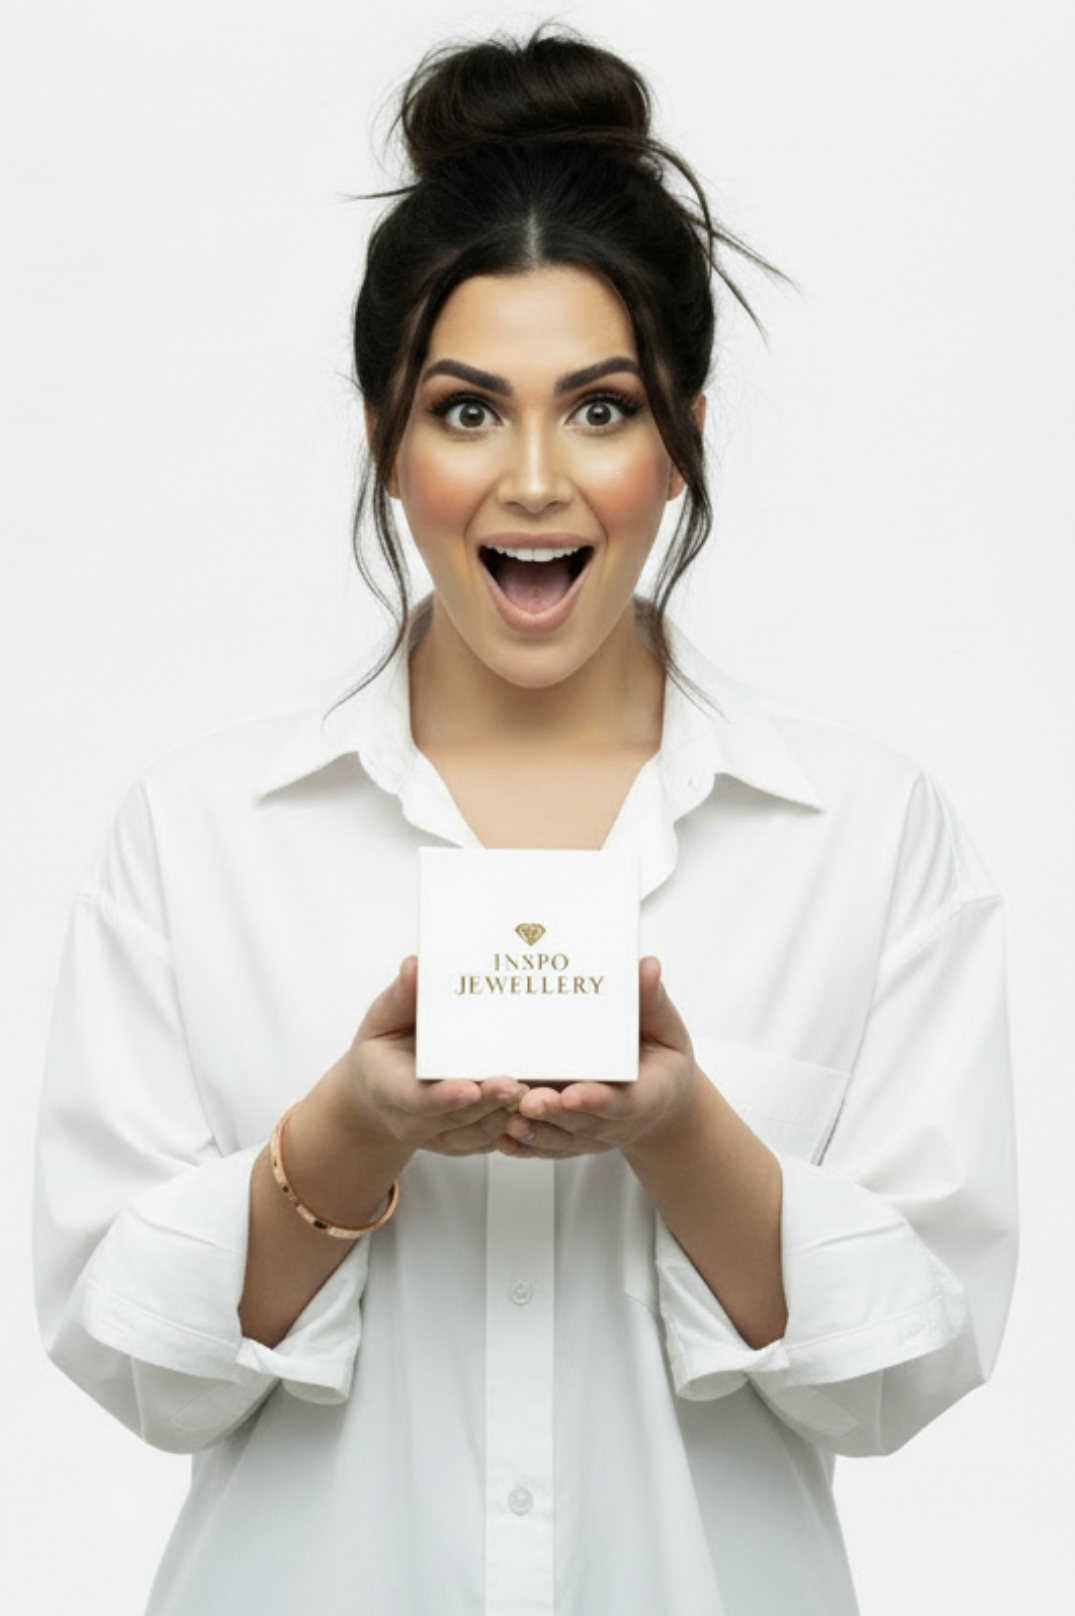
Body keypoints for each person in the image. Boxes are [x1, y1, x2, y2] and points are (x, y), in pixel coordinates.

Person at [33, 28, 1017, 1616]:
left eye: (603, 409)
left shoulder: (866, 835)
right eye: (469, 411)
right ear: (384, 435)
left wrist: (680, 1132)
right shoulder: (199, 834)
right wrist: (349, 1133)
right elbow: (126, 1357)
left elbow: (906, 1370)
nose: (537, 484)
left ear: (683, 435)